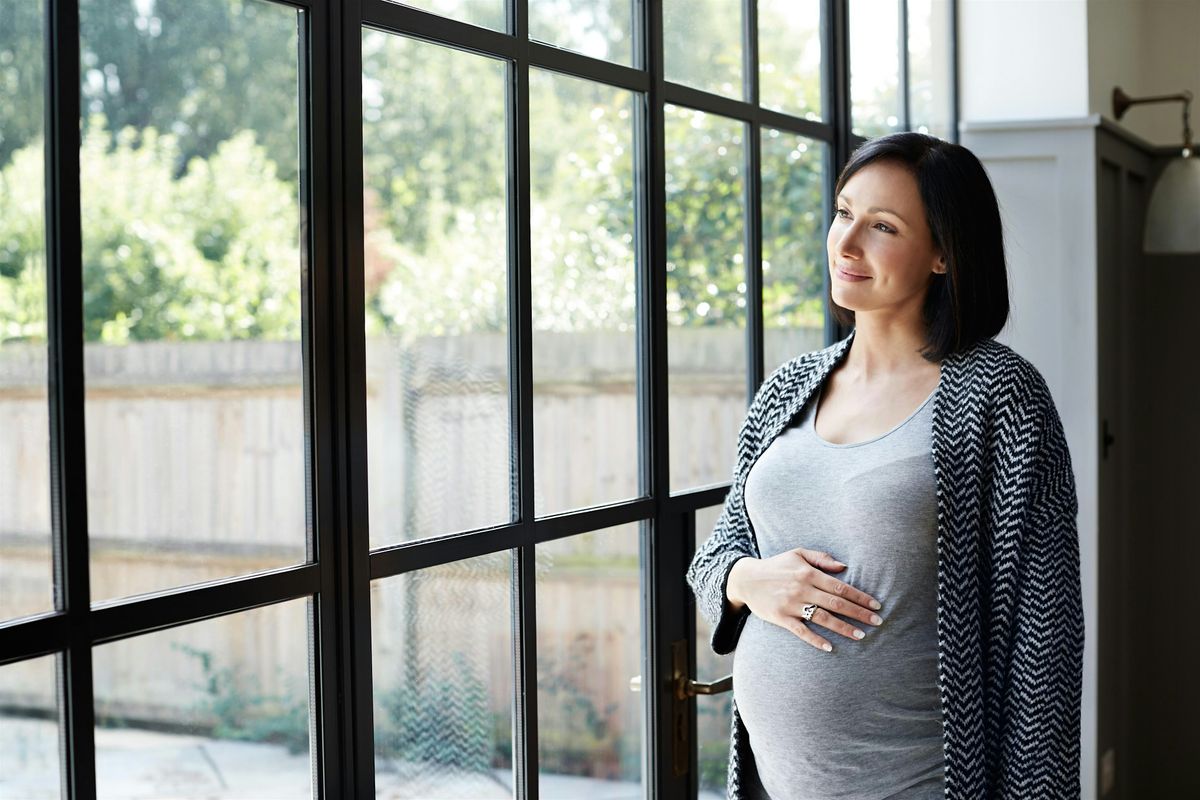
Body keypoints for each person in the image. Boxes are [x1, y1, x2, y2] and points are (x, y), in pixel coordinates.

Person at [685, 131, 1084, 800]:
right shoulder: (789, 388)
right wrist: (745, 578)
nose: (846, 243)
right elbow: (718, 551)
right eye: (844, 212)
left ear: (941, 254)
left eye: (883, 226)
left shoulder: (1000, 396)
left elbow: (1043, 642)